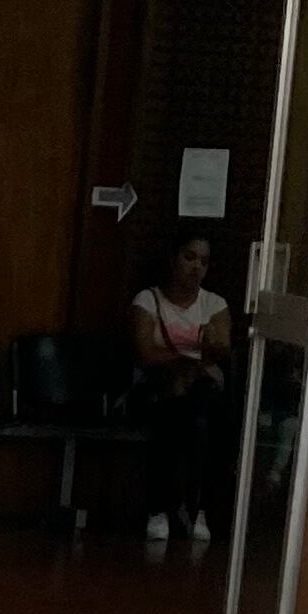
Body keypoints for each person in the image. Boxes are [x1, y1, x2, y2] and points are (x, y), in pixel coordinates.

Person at [131, 233, 236, 545]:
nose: (196, 267)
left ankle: (194, 506)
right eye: (189, 257)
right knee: (178, 417)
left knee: (207, 414)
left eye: (203, 261)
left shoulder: (214, 304)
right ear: (173, 258)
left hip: (202, 395)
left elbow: (223, 349)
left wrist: (207, 350)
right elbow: (146, 352)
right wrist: (190, 359)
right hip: (162, 390)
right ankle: (174, 506)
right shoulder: (148, 300)